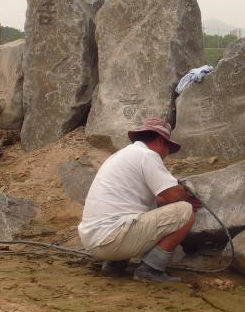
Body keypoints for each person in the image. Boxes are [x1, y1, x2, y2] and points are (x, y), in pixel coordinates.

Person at [77, 118, 202, 283]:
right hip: (111, 239)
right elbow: (173, 196)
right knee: (185, 211)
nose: (166, 155)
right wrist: (187, 192)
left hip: (92, 240)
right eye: (168, 149)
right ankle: (151, 269)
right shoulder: (147, 155)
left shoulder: (121, 155)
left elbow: (155, 202)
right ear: (158, 140)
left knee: (135, 213)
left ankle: (115, 265)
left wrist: (174, 196)